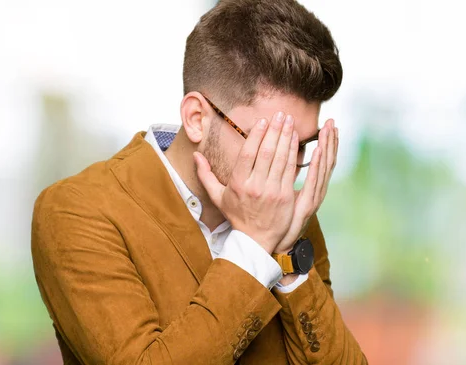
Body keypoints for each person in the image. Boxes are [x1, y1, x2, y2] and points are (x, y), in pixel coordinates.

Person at [31, 0, 366, 363]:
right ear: (196, 118)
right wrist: (254, 245)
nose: (288, 170)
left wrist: (286, 256)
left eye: (301, 146)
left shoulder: (290, 218)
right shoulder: (76, 212)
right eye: (269, 143)